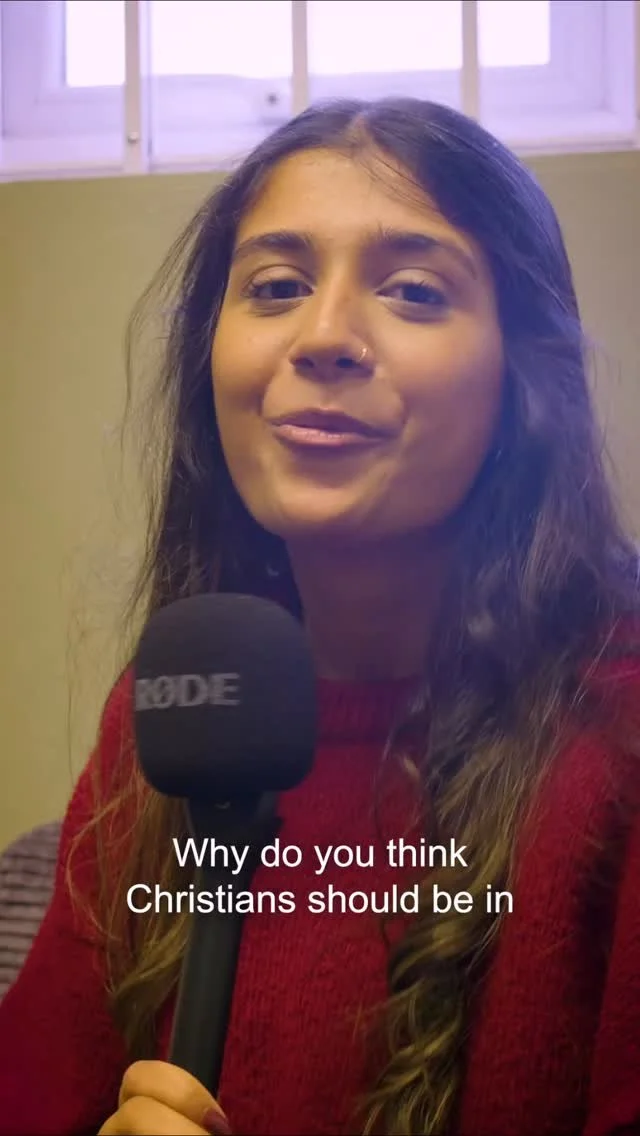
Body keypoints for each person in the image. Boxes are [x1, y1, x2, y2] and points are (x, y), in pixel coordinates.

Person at [0, 96, 639, 1136]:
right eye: (277, 286)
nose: (324, 335)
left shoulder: (618, 732)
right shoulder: (183, 709)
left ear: (524, 381)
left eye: (414, 291)